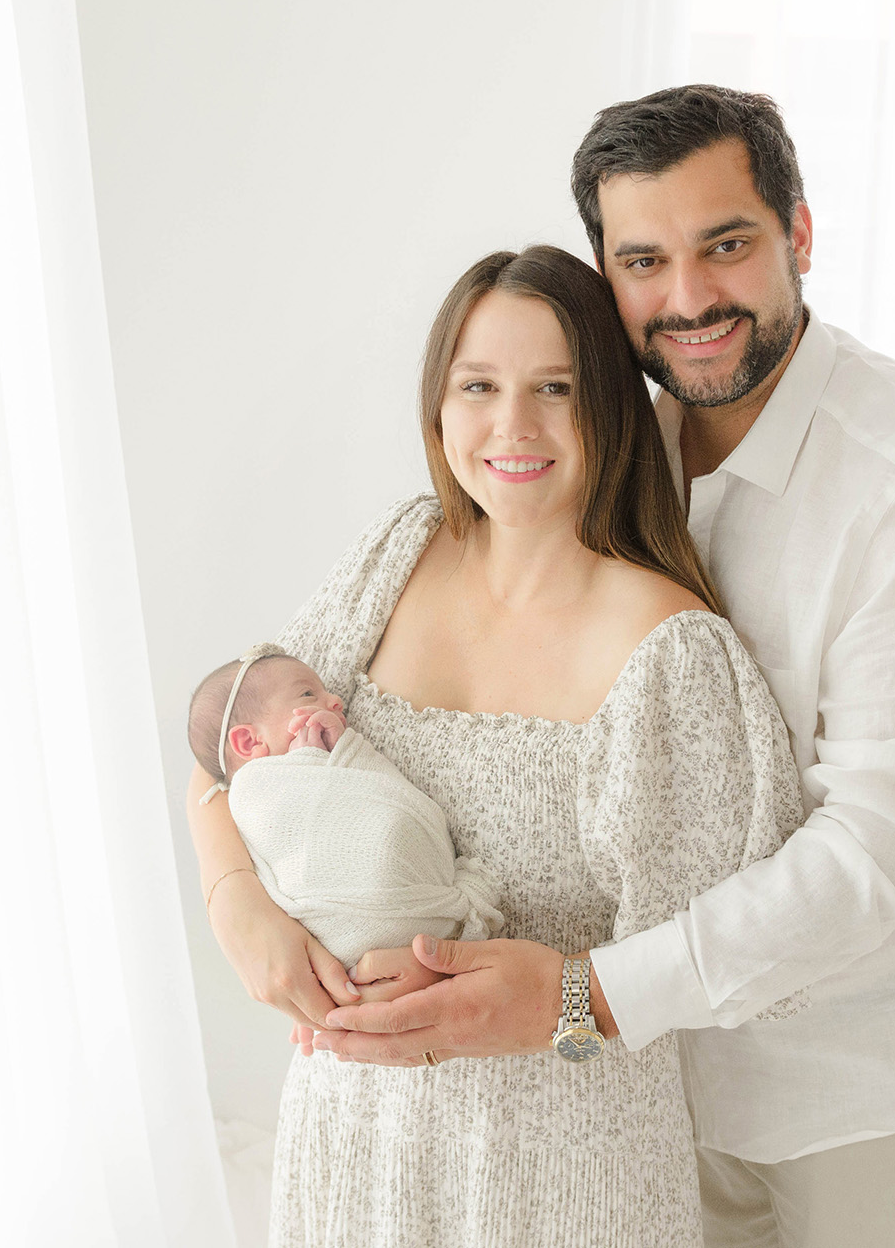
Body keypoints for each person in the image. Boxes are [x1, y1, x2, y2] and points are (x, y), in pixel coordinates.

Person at [309, 86, 895, 1248]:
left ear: (797, 235)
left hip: (861, 1081)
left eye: (727, 245)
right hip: (647, 1090)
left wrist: (577, 994)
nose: (689, 296)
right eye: (644, 260)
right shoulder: (611, 448)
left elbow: (885, 851)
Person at [182, 244, 806, 1246]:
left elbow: (739, 956)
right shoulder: (399, 551)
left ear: (607, 403)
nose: (511, 426)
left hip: (553, 1172)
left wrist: (560, 991)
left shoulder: (669, 651)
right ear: (438, 405)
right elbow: (225, 752)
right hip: (353, 1137)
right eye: (478, 385)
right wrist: (239, 909)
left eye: (553, 387)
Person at [186, 645, 504, 970]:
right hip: (343, 942)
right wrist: (305, 764)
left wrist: (338, 756)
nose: (334, 700)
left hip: (422, 916)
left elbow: (384, 806)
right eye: (308, 694)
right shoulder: (252, 794)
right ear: (249, 743)